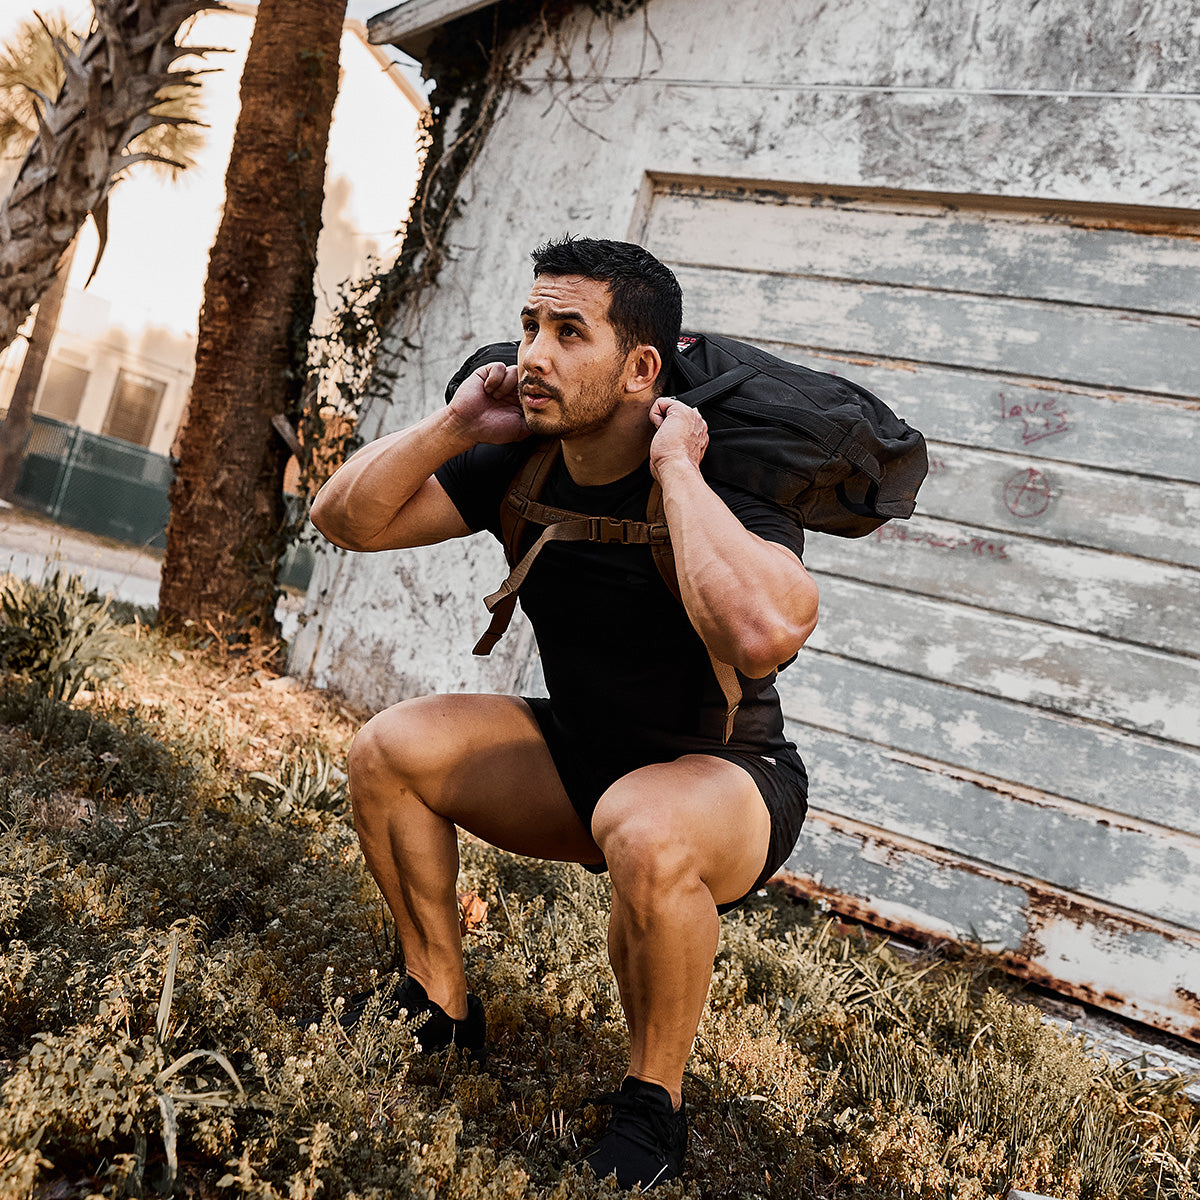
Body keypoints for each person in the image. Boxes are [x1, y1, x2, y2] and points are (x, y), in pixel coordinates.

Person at [309, 236, 819, 1189]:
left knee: (645, 825)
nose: (534, 354)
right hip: (579, 753)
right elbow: (345, 521)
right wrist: (454, 426)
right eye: (529, 326)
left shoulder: (727, 481)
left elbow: (764, 635)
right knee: (390, 751)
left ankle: (652, 1103)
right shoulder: (521, 462)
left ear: (640, 368)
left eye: (567, 332)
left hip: (724, 780)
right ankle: (441, 1005)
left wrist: (677, 473)